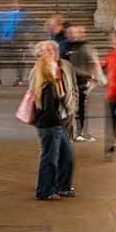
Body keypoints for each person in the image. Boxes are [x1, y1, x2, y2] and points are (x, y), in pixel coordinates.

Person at [27, 45, 75, 201]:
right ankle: (44, 191)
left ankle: (63, 187)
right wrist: (59, 122)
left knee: (67, 156)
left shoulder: (51, 83)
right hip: (51, 127)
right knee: (49, 160)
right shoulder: (48, 86)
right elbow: (49, 111)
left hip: (54, 126)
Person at [65, 25, 97, 142]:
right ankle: (70, 132)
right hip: (68, 81)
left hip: (81, 81)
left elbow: (92, 63)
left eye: (77, 33)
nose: (74, 35)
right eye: (72, 33)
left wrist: (91, 78)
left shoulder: (85, 46)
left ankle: (80, 132)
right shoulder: (64, 46)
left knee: (81, 107)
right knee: (68, 107)